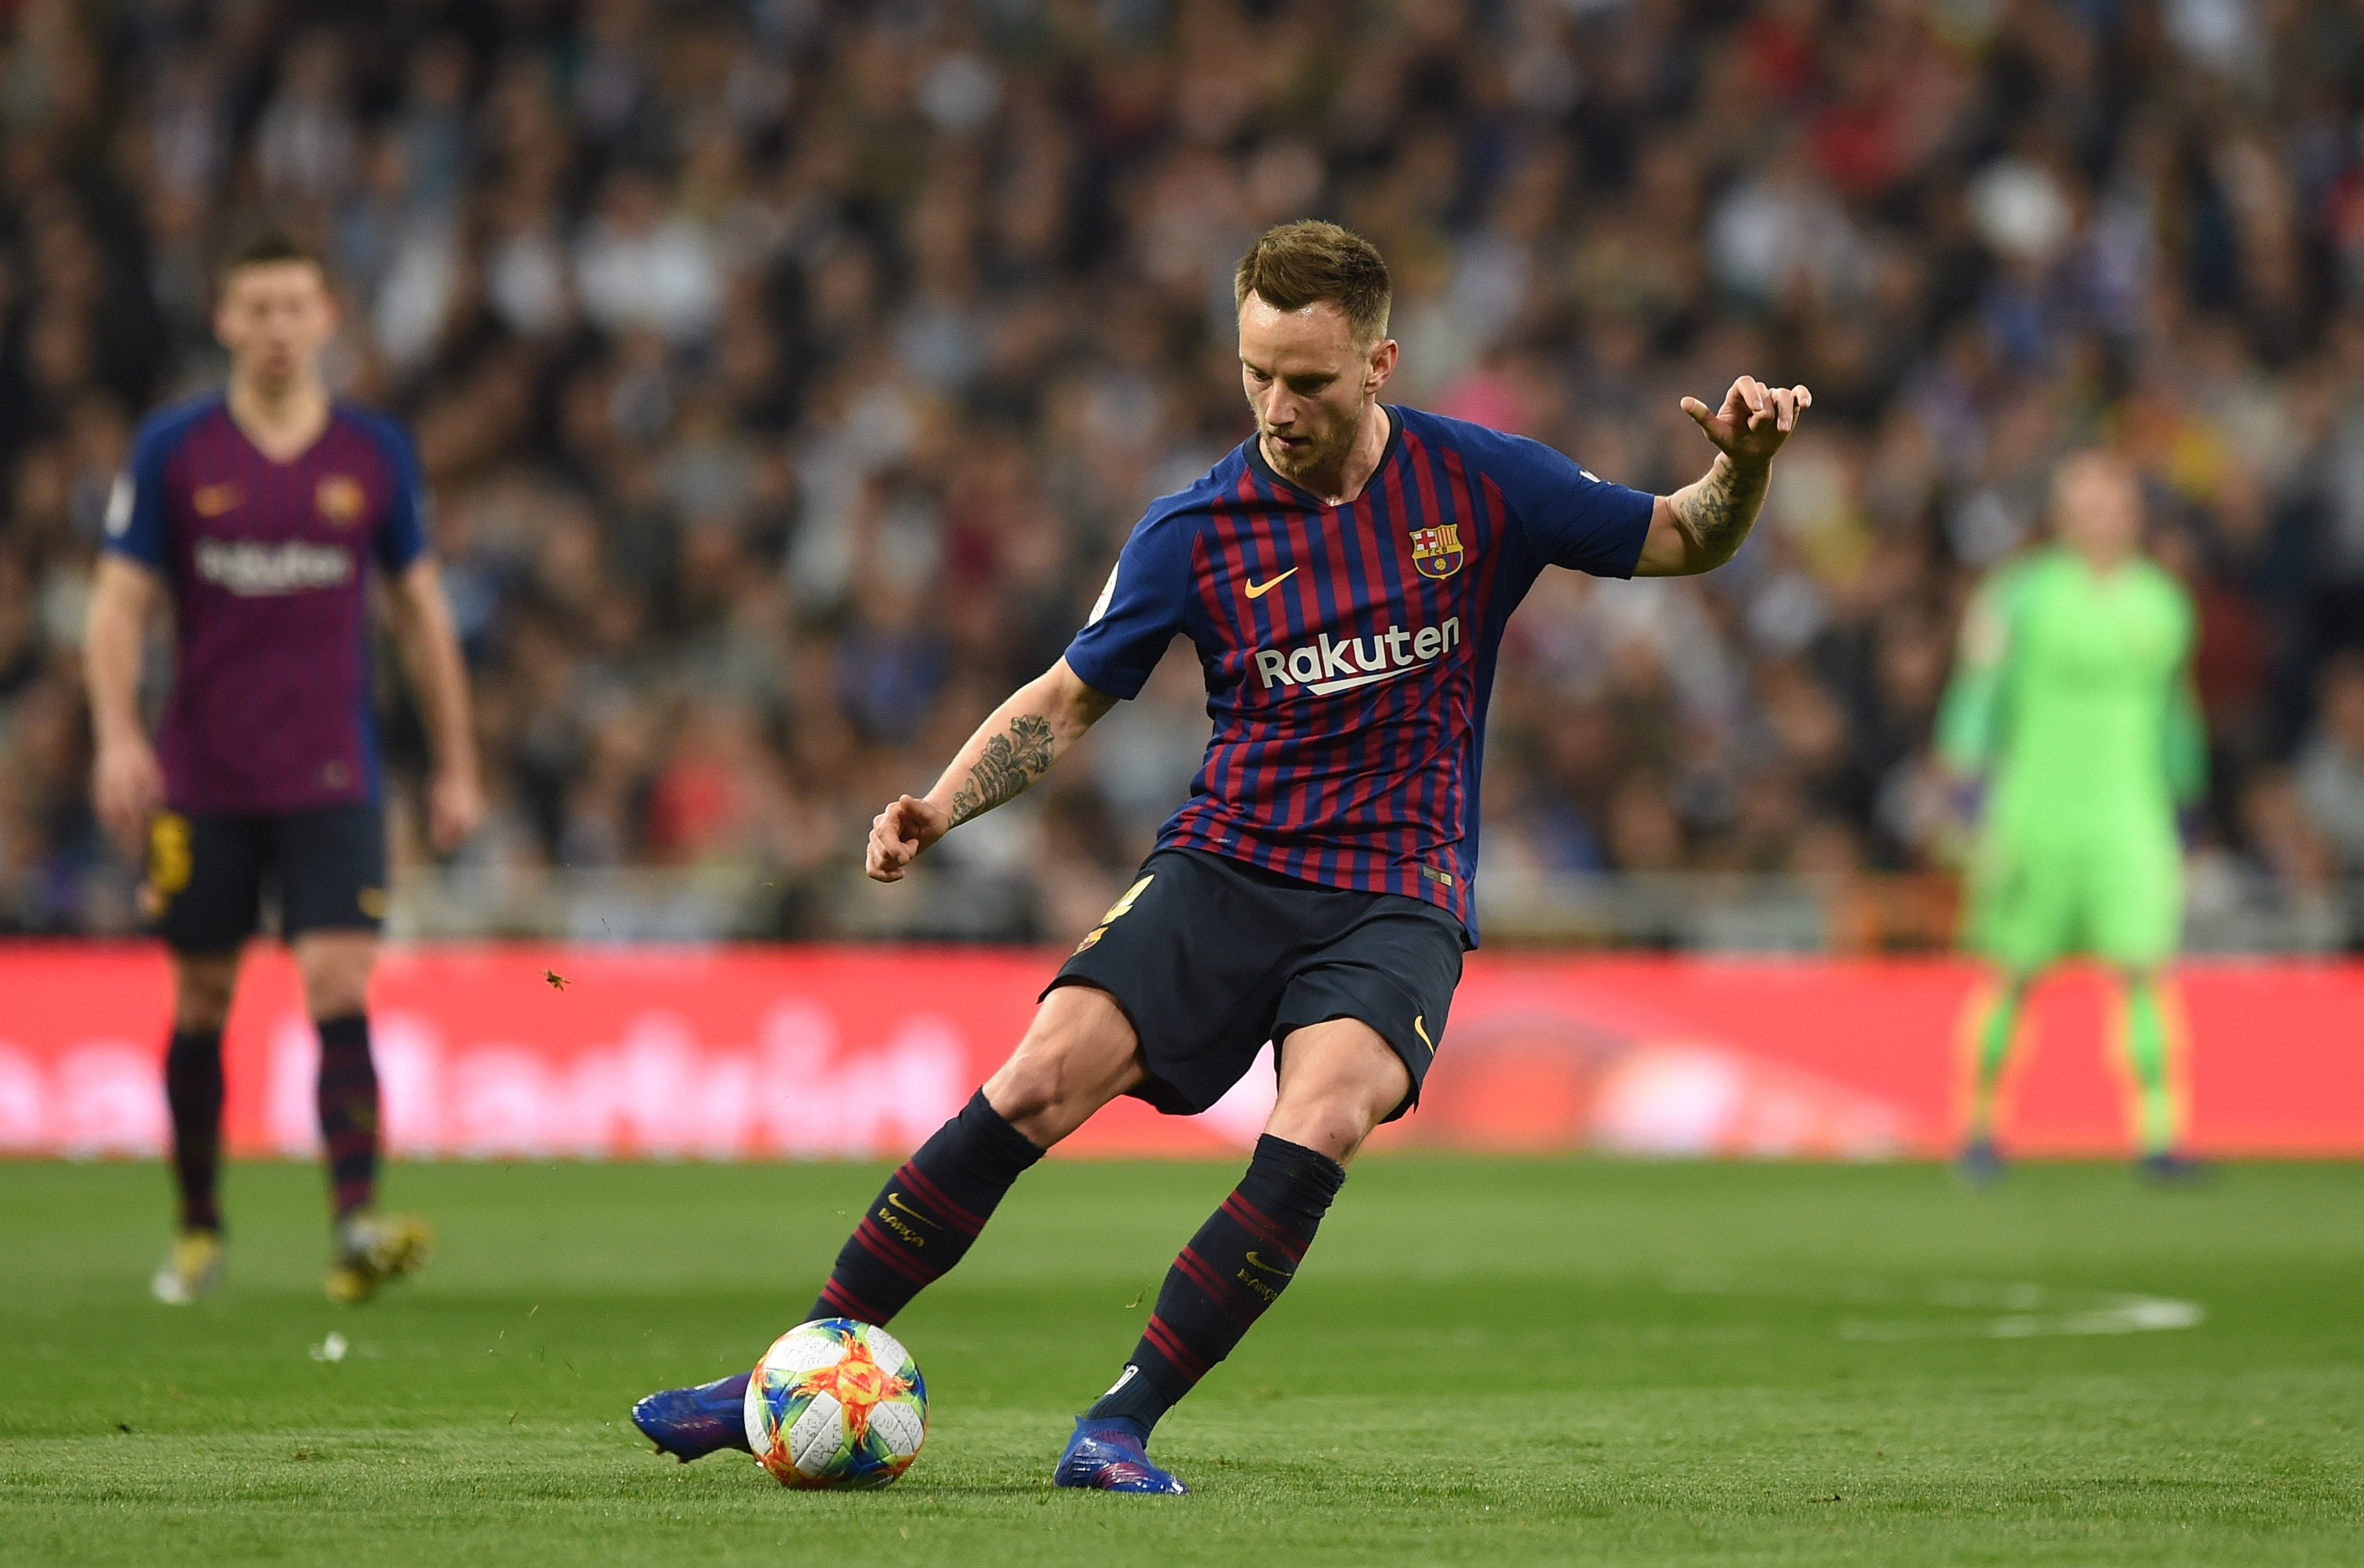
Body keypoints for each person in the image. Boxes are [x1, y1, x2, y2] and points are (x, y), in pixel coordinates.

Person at [631, 219, 1810, 1490]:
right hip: (1226, 866)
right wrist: (942, 803)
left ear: (1380, 365)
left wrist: (1741, 468)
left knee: (1328, 1113)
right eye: (1255, 373)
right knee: (1035, 1081)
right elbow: (1068, 698)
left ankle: (1119, 1424)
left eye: (1306, 380)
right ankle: (781, 1376)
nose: (1276, 406)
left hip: (1393, 894)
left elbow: (1690, 534)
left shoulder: (1484, 484)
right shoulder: (1196, 527)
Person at [84, 233, 483, 1304]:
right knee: (203, 996)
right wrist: (119, 735)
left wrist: (454, 760)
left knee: (339, 979)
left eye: (293, 306)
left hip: (332, 773)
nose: (274, 328)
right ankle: (199, 1229)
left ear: (326, 319)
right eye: (255, 307)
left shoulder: (373, 453)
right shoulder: (173, 449)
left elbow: (418, 611)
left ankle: (355, 1222)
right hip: (203, 774)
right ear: (223, 320)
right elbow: (119, 604)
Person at [1939, 450, 2205, 1183]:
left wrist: (2189, 802)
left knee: (2144, 969)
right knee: (2011, 973)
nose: (2098, 515)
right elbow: (1975, 695)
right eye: (2082, 502)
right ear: (2059, 514)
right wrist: (1963, 788)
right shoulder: (2016, 598)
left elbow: (2175, 712)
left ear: (2133, 512)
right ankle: (1979, 1131)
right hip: (2034, 812)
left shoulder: (2163, 603)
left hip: (2130, 813)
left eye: (2110, 501)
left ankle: (2160, 1137)